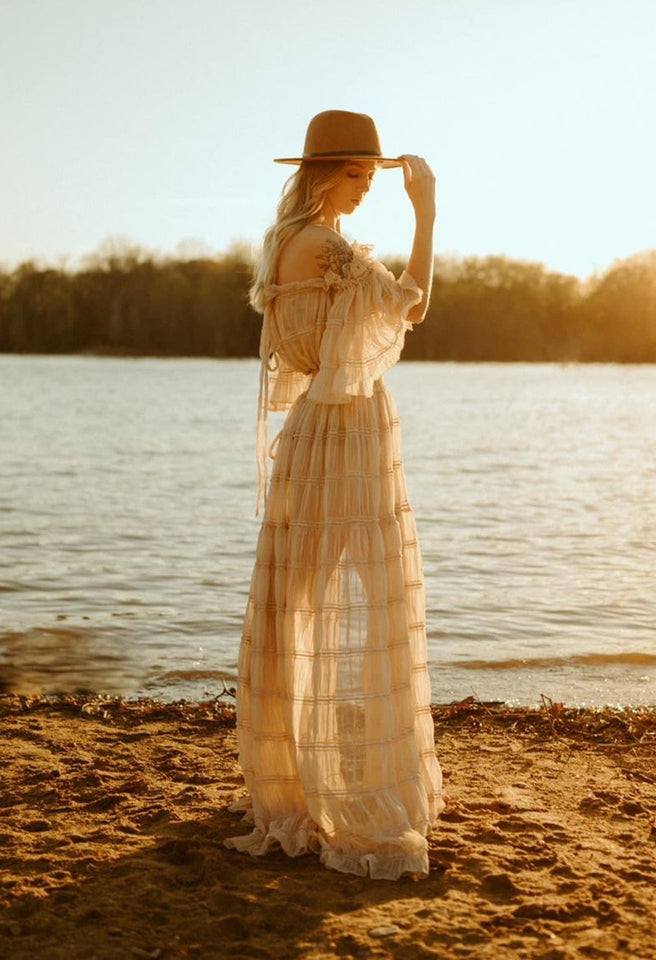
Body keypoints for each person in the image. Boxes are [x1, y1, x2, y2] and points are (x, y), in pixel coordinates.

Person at [225, 110, 444, 880]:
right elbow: (411, 304)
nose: (364, 191)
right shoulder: (323, 245)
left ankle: (292, 782)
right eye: (358, 176)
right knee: (372, 598)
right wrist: (428, 214)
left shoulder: (285, 243)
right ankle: (338, 792)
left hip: (319, 428)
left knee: (303, 601)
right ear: (324, 174)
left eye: (370, 178)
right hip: (347, 429)